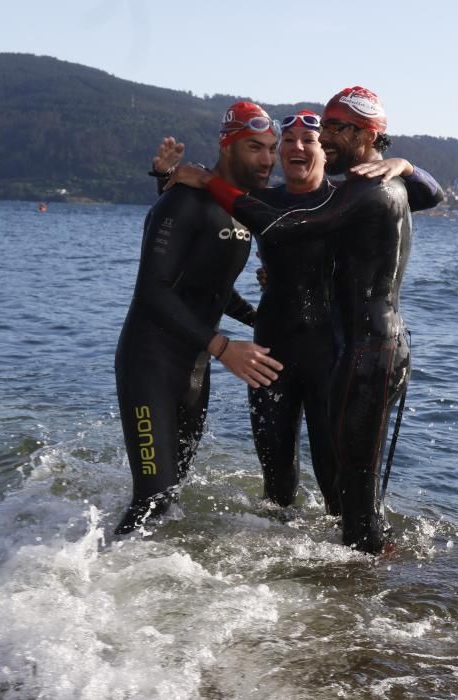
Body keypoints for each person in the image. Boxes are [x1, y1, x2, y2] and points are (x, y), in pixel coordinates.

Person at [171, 87, 440, 553]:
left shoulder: (348, 195)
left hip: (340, 353)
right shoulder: (270, 198)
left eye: (321, 135)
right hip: (281, 348)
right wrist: (167, 177)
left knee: (344, 486)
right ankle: (300, 568)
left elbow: (429, 194)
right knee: (282, 485)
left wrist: (406, 164)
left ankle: (362, 583)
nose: (304, 146)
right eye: (288, 141)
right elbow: (200, 222)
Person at [113, 101, 284, 535]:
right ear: (226, 147)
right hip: (150, 361)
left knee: (169, 497)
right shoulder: (182, 200)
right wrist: (224, 348)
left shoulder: (240, 208)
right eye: (254, 148)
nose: (267, 160)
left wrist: (260, 321)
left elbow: (213, 287)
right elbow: (152, 290)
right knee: (150, 499)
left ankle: (141, 595)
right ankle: (82, 585)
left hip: (195, 366)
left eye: (271, 148)